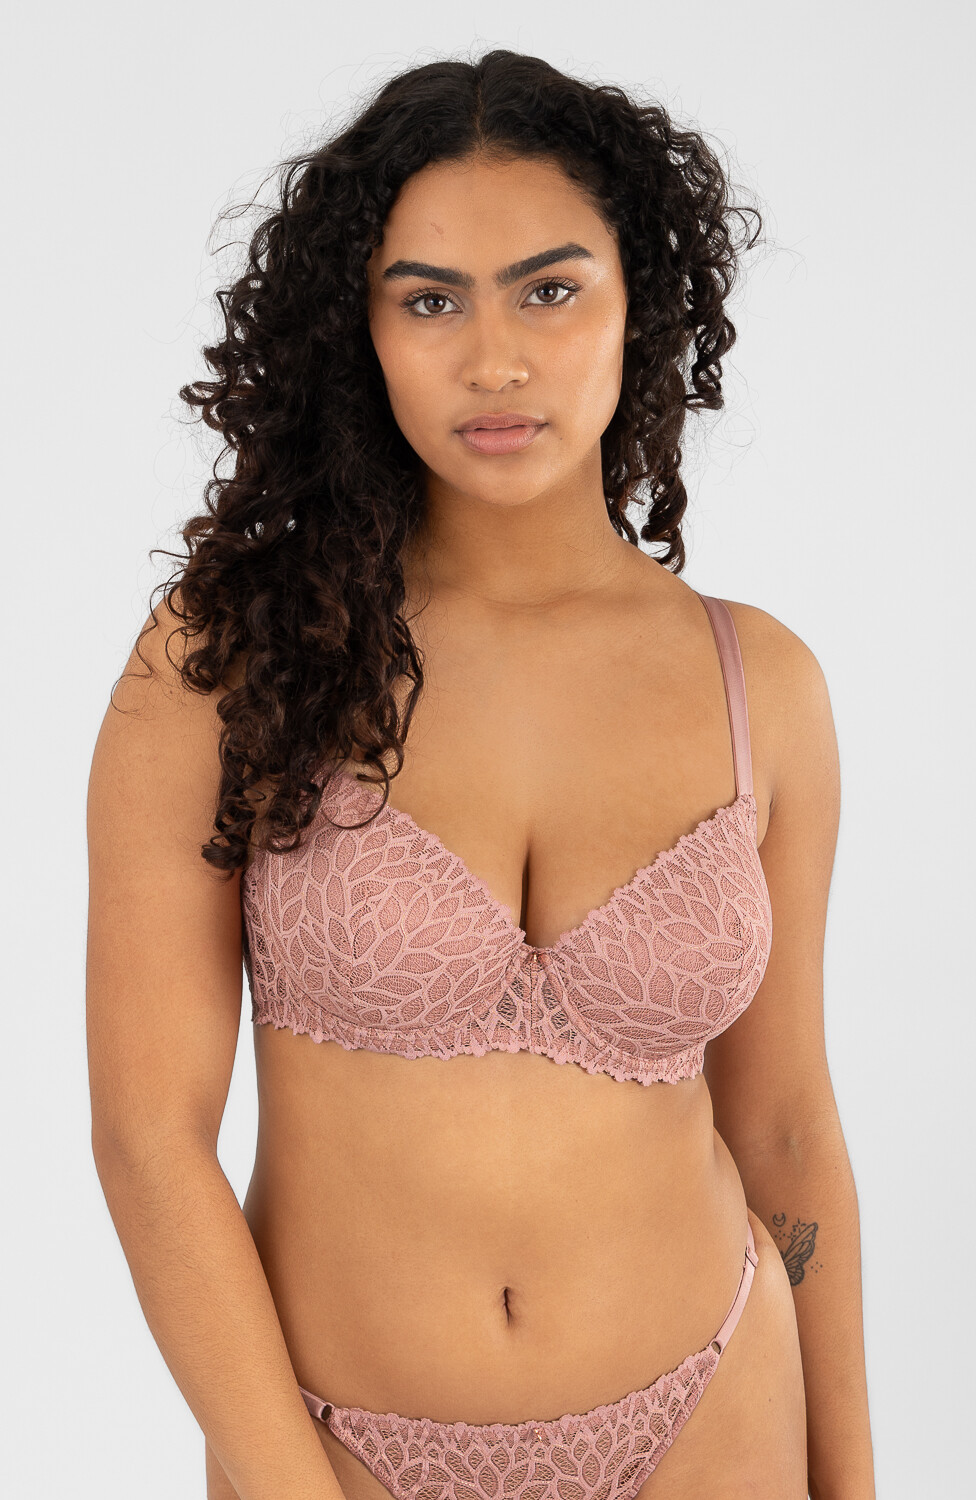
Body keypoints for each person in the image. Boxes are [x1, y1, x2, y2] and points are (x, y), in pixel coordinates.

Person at [86, 48, 876, 1500]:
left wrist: (857, 1485)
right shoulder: (228, 654)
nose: (495, 360)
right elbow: (150, 1141)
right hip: (337, 1447)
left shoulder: (760, 684)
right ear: (360, 331)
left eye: (550, 291)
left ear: (640, 305)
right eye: (430, 300)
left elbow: (783, 1129)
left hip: (715, 1410)